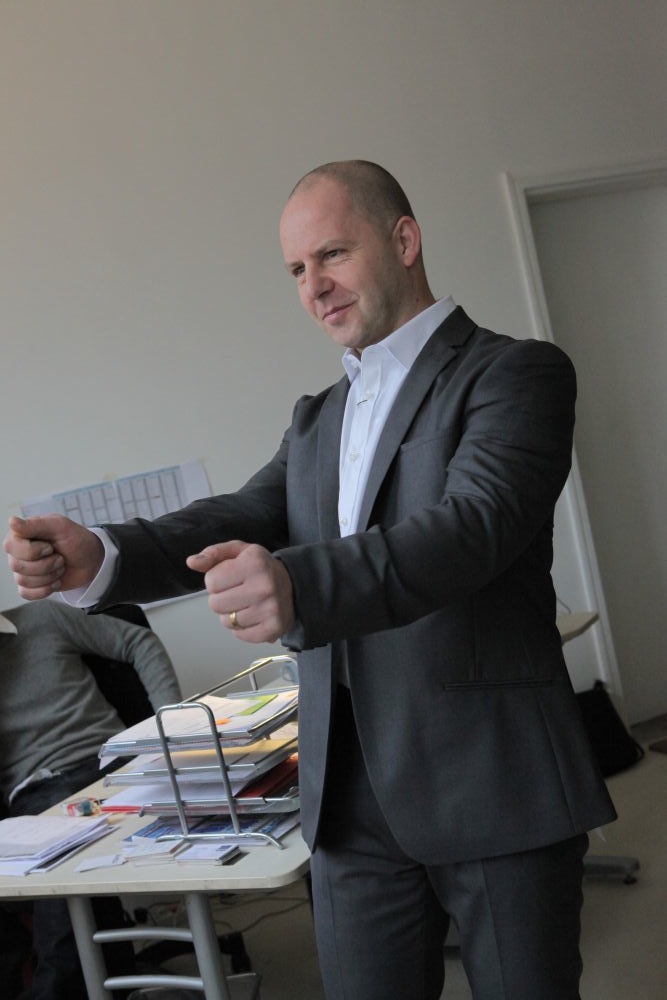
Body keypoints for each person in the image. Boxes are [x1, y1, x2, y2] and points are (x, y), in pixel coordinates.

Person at [3, 160, 616, 999]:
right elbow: (243, 512)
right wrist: (105, 554)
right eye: (296, 269)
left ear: (404, 240)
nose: (313, 287)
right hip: (347, 803)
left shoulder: (514, 373)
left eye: (332, 254)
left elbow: (472, 528)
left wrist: (298, 585)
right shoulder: (316, 418)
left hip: (490, 781)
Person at [0, 599, 181, 1000]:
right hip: (39, 790)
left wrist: (170, 725)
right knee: (61, 860)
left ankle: (58, 986)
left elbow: (138, 642)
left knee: (65, 863)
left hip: (110, 763)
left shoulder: (42, 618)